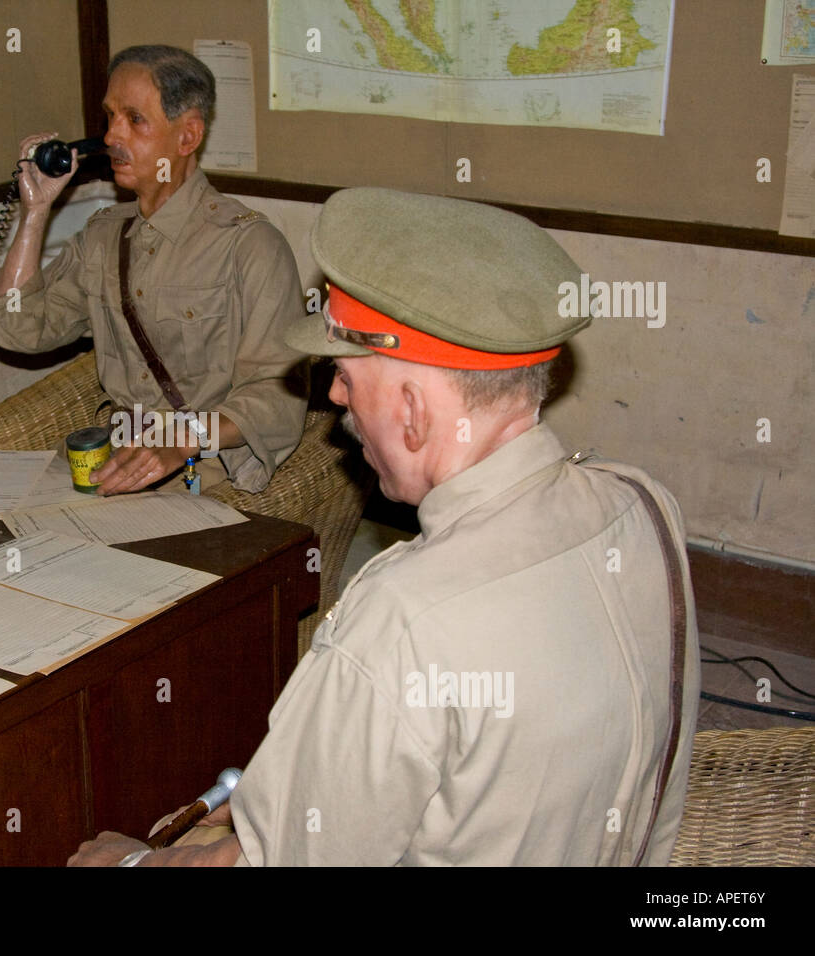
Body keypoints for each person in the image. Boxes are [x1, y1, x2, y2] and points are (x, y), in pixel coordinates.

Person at [68, 187, 700, 866]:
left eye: (343, 375)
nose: (335, 397)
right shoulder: (647, 506)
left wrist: (134, 863)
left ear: (413, 409)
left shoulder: (402, 620)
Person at [0, 45, 307, 496]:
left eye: (134, 119)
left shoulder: (248, 246)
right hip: (118, 454)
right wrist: (35, 212)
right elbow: (15, 328)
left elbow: (276, 398)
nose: (112, 136)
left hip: (200, 468)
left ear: (186, 138)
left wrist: (176, 444)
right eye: (110, 117)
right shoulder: (104, 236)